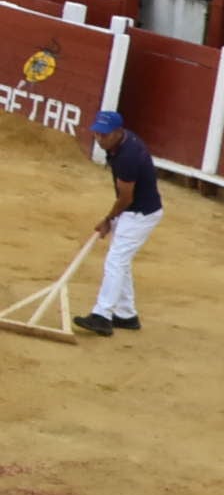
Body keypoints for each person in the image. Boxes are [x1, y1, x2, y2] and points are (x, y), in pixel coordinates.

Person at [78, 110, 161, 337]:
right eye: (97, 134)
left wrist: (108, 219)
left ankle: (102, 315)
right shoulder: (120, 145)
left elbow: (126, 197)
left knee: (115, 260)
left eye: (104, 135)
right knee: (120, 260)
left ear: (117, 132)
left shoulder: (127, 156)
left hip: (139, 214)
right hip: (135, 211)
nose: (99, 139)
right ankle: (126, 315)